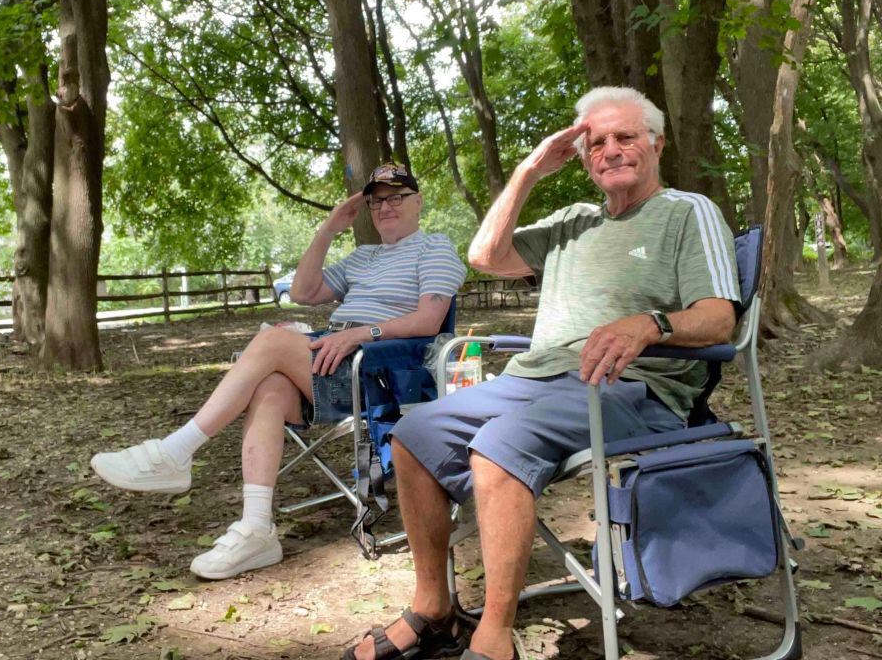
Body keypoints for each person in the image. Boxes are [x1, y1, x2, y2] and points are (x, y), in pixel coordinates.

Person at [343, 87, 740, 660]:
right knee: (413, 433)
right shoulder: (571, 222)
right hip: (533, 379)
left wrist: (650, 325)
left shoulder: (686, 211)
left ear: (656, 143)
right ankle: (433, 609)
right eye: (595, 143)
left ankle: (494, 636)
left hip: (631, 385)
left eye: (625, 136)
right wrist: (528, 171)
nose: (610, 150)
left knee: (500, 444)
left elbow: (719, 319)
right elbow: (484, 256)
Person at [91, 163, 466, 580]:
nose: (385, 207)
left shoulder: (435, 248)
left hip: (384, 372)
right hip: (336, 358)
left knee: (271, 341)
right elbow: (303, 292)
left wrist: (362, 333)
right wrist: (328, 230)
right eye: (376, 201)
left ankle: (175, 453)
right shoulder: (365, 255)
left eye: (396, 197)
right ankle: (257, 529)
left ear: (418, 202)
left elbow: (429, 320)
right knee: (269, 387)